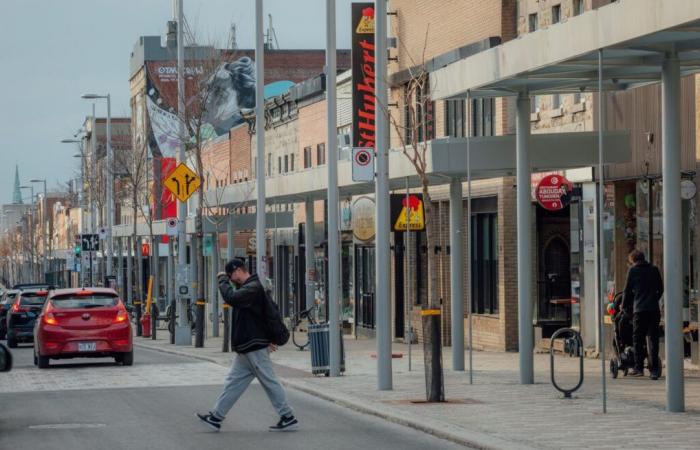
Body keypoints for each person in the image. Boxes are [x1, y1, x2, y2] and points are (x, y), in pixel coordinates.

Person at [196, 257, 297, 432]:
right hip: (247, 347)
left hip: (254, 346)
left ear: (237, 271)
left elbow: (231, 298)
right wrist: (270, 338)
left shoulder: (252, 288)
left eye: (230, 276)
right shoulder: (249, 289)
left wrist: (221, 280)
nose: (231, 280)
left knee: (269, 381)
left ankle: (287, 415)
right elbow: (264, 316)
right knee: (233, 383)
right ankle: (216, 417)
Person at [621, 249, 664, 379]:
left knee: (638, 339)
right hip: (653, 310)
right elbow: (660, 289)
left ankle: (638, 367)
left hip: (639, 310)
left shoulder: (633, 271)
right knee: (653, 339)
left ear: (633, 260)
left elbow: (627, 290)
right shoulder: (654, 269)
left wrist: (623, 305)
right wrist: (653, 299)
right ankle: (654, 370)